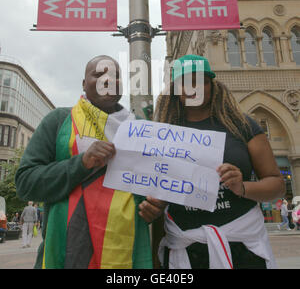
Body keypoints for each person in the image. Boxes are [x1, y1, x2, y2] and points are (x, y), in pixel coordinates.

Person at [15, 55, 165, 269]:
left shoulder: (142, 128)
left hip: (126, 256)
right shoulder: (58, 121)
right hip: (67, 254)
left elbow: (156, 188)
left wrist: (154, 207)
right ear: (84, 84)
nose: (108, 80)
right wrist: (81, 163)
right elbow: (25, 183)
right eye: (99, 74)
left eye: (115, 76)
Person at [154, 54, 286, 269]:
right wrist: (155, 205)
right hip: (186, 249)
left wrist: (242, 186)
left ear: (212, 85)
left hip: (242, 248)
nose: (194, 88)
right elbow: (155, 188)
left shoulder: (242, 126)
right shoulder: (163, 133)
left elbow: (277, 185)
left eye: (201, 81)